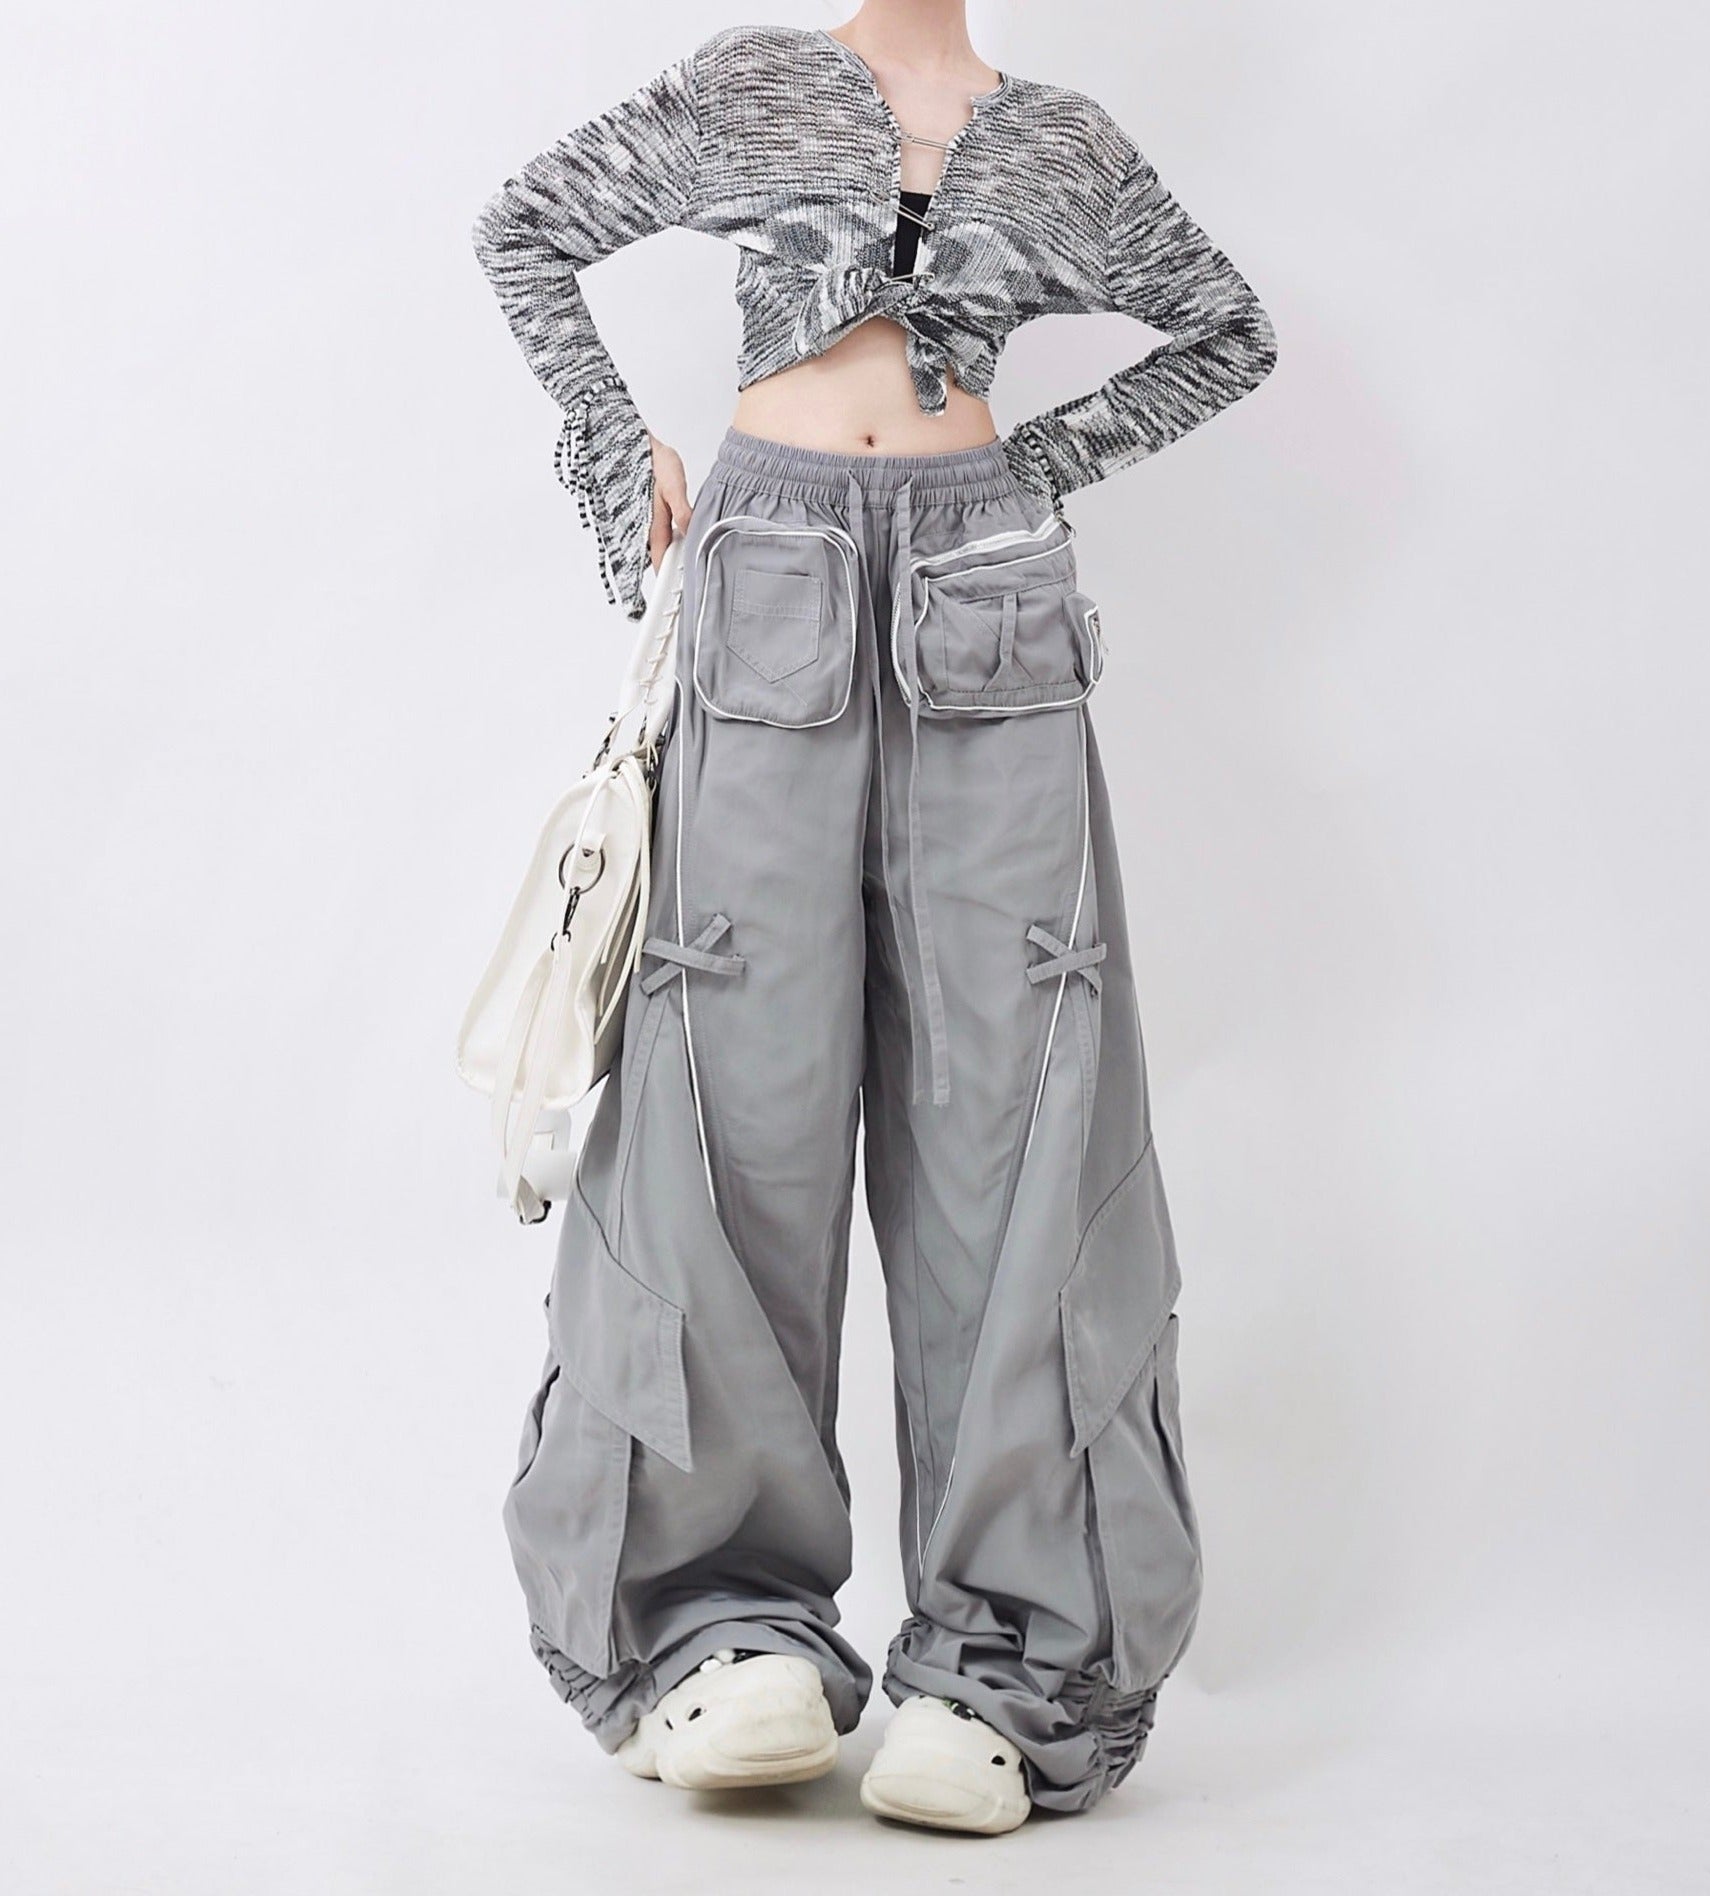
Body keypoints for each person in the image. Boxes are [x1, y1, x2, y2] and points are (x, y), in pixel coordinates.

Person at [471, 2, 1275, 1836]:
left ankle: (1012, 1662)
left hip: (990, 601)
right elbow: (527, 226)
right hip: (764, 579)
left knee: (1018, 1106)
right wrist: (613, 447)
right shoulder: (754, 78)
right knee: (723, 1090)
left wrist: (1034, 470)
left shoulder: (1061, 136)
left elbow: (1229, 330)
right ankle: (714, 1628)